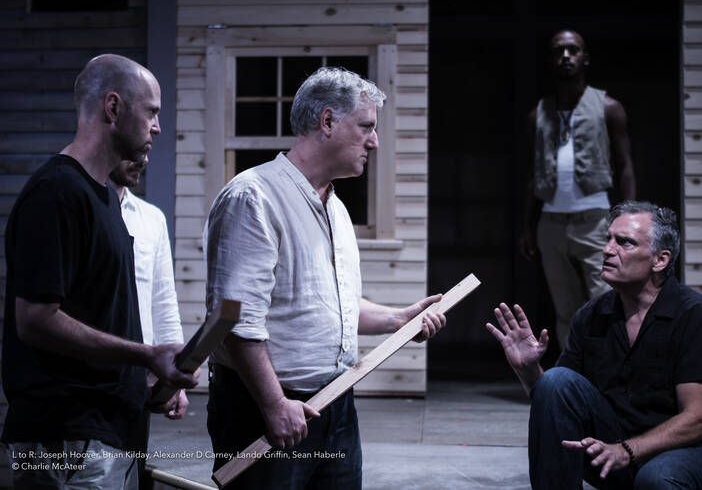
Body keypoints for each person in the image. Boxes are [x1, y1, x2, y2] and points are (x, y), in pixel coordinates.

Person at [205, 66, 447, 489]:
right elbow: (235, 322)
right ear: (328, 121)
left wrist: (399, 319)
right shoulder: (254, 196)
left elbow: (332, 306)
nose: (374, 141)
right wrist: (274, 403)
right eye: (366, 127)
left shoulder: (334, 206)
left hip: (335, 404)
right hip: (266, 408)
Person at [2, 54, 198, 489]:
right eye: (152, 112)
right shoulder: (57, 192)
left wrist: (148, 379)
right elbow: (35, 321)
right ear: (113, 107)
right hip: (66, 440)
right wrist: (145, 356)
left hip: (112, 435)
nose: (158, 127)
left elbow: (105, 315)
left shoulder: (106, 200)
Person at [489, 201, 702, 489]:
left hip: (691, 456)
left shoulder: (697, 317)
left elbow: (698, 420)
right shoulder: (592, 316)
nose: (607, 249)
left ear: (660, 260)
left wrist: (626, 451)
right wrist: (529, 370)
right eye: (608, 239)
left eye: (624, 242)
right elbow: (559, 406)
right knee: (556, 381)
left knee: (655, 478)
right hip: (618, 453)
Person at [520, 29, 636, 348]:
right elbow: (535, 173)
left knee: (608, 302)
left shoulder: (609, 107)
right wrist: (527, 226)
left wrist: (629, 221)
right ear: (551, 59)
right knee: (565, 309)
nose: (566, 56)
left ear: (585, 57)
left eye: (573, 50)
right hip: (551, 223)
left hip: (595, 219)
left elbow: (625, 166)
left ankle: (610, 376)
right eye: (559, 51)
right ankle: (573, 377)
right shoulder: (538, 114)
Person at [110, 157, 189, 420]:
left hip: (139, 389)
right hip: (90, 385)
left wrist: (174, 379)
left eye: (146, 152)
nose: (143, 160)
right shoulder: (83, 207)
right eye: (132, 150)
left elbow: (163, 301)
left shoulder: (151, 218)